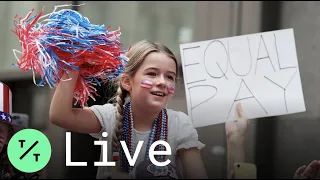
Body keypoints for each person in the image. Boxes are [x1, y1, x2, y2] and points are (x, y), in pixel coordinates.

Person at [49, 40, 248, 179]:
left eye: (170, 77)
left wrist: (235, 140)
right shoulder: (109, 117)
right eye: (152, 74)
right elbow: (60, 116)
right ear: (127, 81)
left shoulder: (179, 124)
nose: (162, 82)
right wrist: (72, 63)